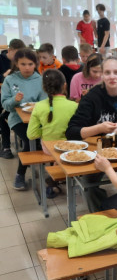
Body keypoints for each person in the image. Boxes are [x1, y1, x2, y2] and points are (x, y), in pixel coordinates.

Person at [66, 57, 117, 211]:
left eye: (116, 72)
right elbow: (71, 132)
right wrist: (99, 128)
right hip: (98, 150)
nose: (112, 76)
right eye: (107, 72)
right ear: (102, 75)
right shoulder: (92, 97)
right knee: (89, 182)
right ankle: (101, 212)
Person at [1, 48, 47, 190]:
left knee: (47, 139)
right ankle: (20, 174)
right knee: (29, 140)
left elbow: (44, 102)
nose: (27, 67)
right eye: (23, 64)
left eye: (30, 64)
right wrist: (14, 100)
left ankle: (45, 173)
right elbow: (5, 105)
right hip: (17, 118)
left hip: (37, 118)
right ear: (16, 64)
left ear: (35, 64)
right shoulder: (10, 80)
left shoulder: (40, 80)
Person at [27, 69, 78, 198]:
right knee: (64, 153)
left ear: (44, 88)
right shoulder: (74, 105)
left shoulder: (39, 106)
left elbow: (31, 134)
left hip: (48, 148)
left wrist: (45, 130)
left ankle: (54, 181)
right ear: (65, 85)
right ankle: (57, 178)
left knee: (56, 153)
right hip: (70, 147)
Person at [0, 39, 25, 159]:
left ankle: (26, 142)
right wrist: (3, 76)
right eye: (17, 54)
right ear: (9, 50)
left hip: (19, 96)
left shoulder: (22, 62)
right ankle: (6, 147)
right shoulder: (1, 60)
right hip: (3, 95)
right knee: (3, 115)